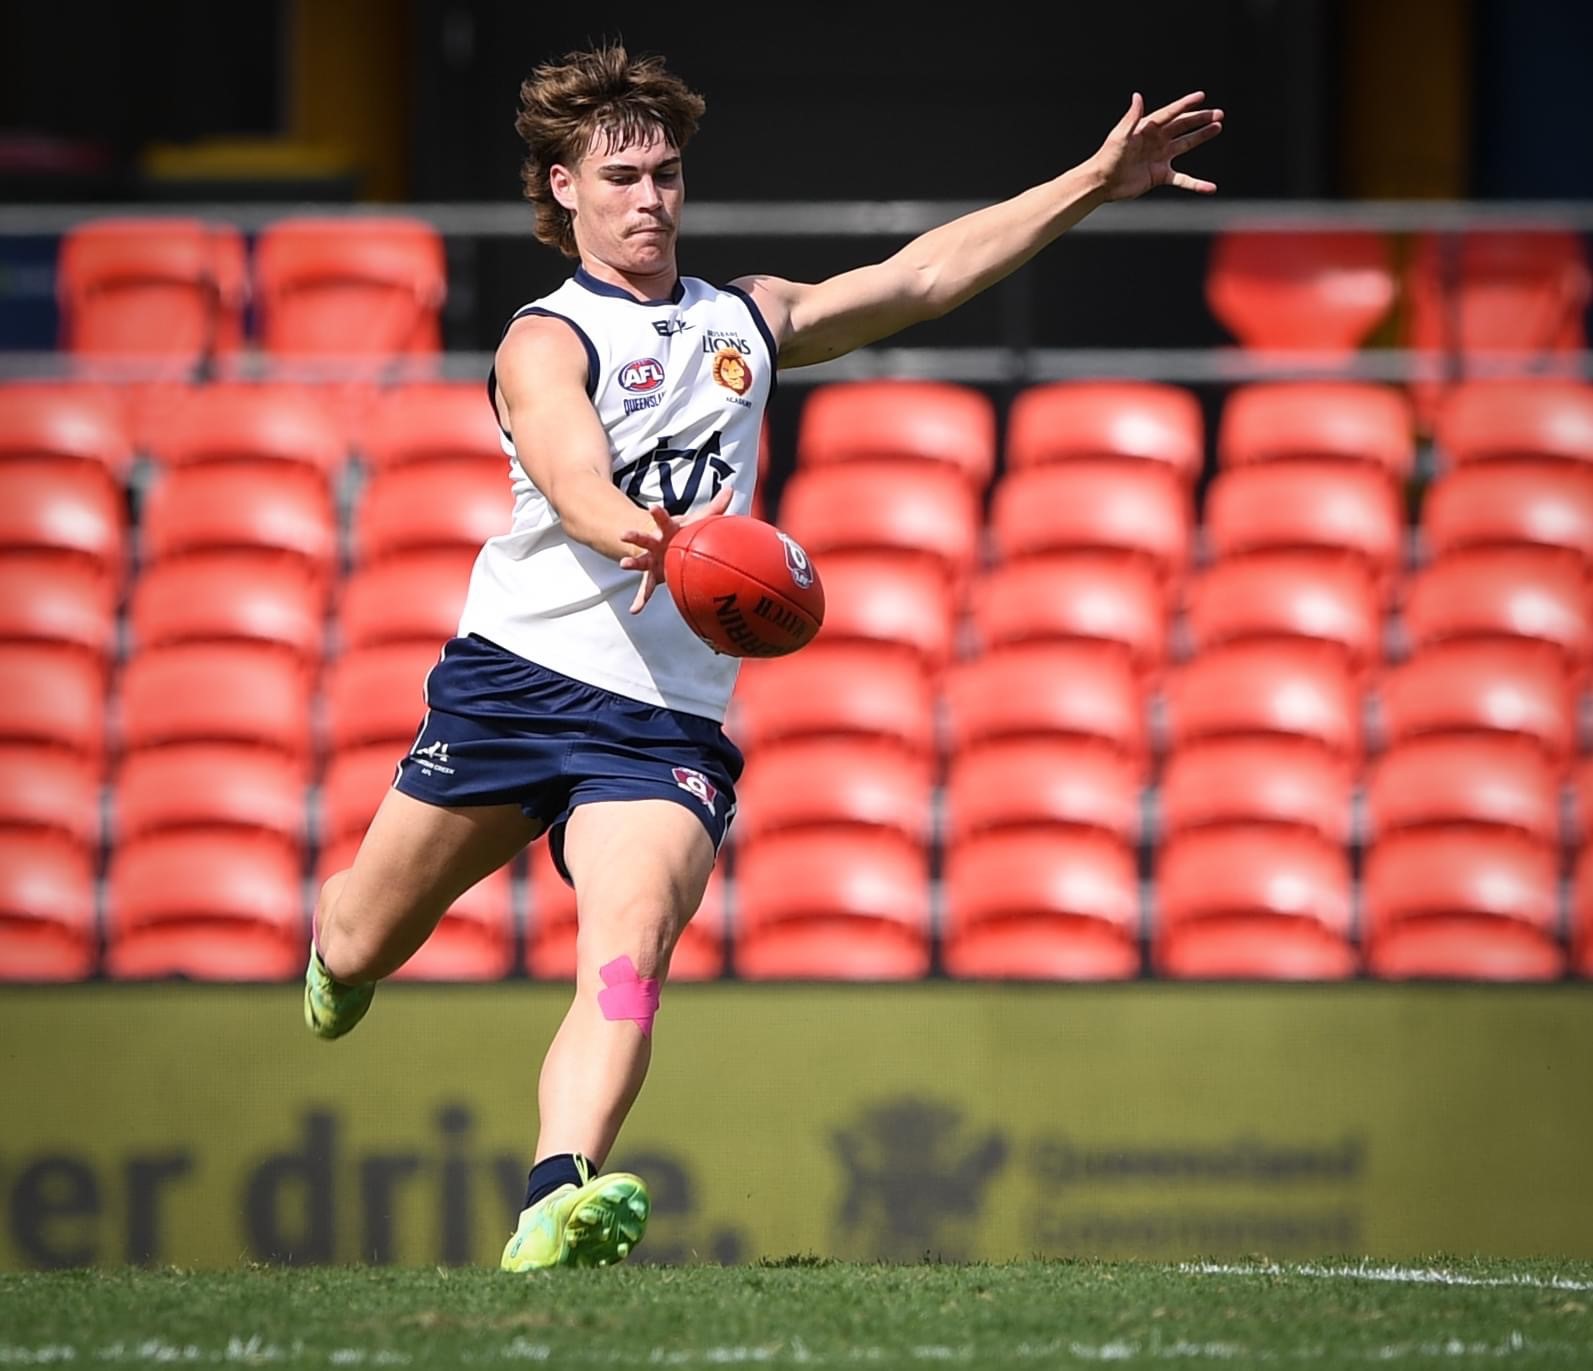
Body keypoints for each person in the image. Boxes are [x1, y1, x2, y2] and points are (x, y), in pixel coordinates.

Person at [303, 43, 1223, 1271]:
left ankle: (553, 1197)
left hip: (663, 728)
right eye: (622, 177)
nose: (650, 198)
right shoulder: (545, 338)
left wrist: (1092, 185)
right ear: (563, 190)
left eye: (667, 175)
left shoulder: (745, 320)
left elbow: (922, 276)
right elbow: (572, 470)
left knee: (629, 951)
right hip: (514, 686)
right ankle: (338, 959)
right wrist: (640, 532)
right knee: (364, 939)